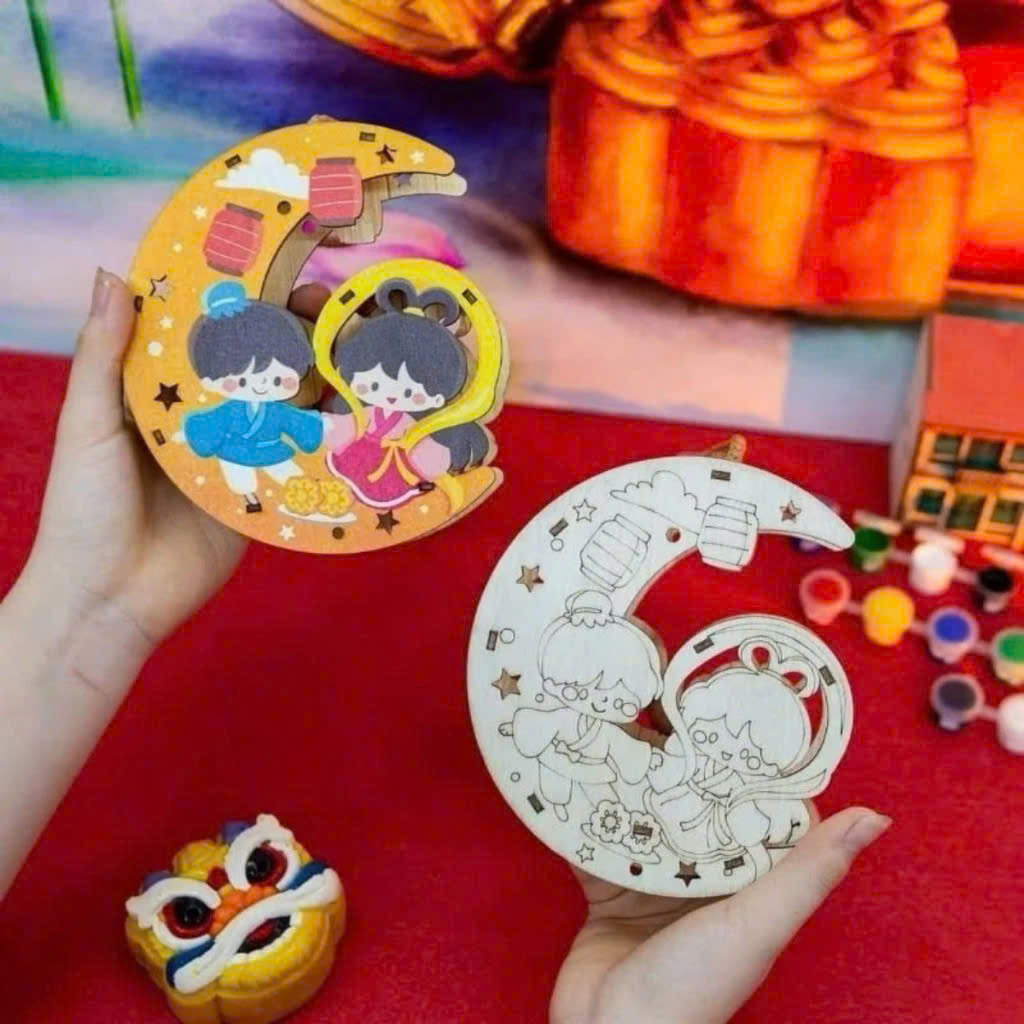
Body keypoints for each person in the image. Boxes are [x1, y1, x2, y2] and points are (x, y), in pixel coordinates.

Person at [0, 270, 891, 1023]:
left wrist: (89, 607)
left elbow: (636, 768)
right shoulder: (578, 718)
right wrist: (89, 601)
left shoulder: (682, 780)